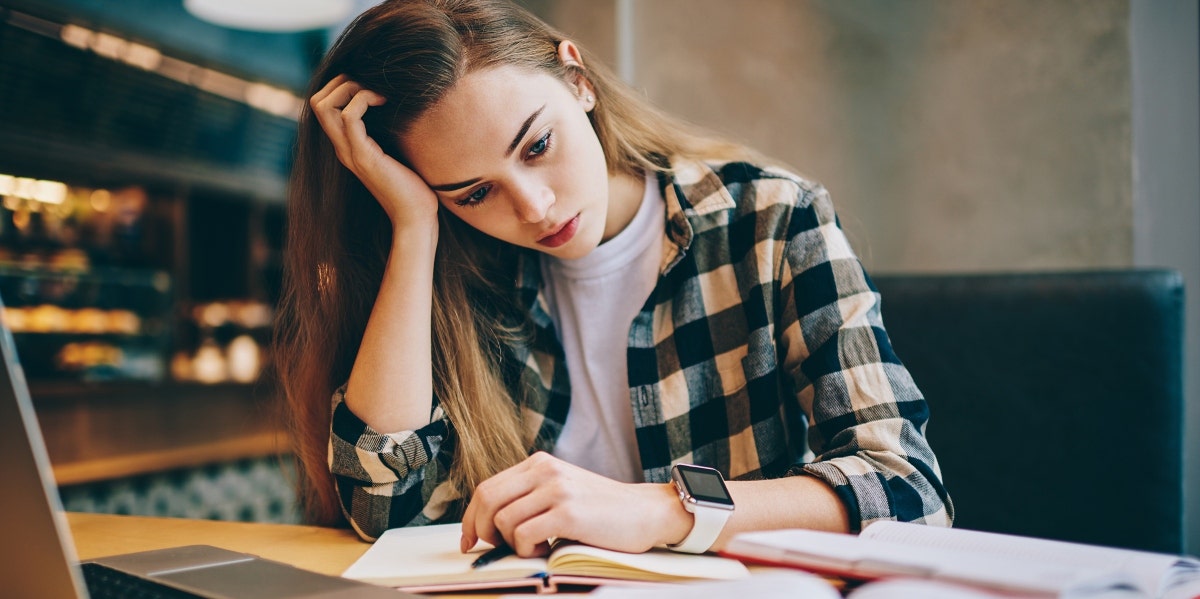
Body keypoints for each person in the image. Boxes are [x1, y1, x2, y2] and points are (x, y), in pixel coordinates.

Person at [275, 0, 954, 558]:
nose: (534, 208)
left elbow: (907, 488)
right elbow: (381, 511)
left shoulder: (768, 220)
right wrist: (416, 228)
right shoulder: (465, 269)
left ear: (579, 79)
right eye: (474, 192)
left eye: (538, 145)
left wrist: (662, 508)